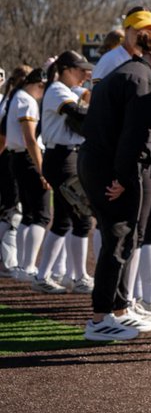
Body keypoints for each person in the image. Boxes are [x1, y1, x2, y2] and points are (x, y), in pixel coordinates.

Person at [79, 32, 151, 341]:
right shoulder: (143, 80)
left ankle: (118, 309)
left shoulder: (129, 72)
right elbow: (134, 137)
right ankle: (99, 318)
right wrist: (122, 178)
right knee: (118, 238)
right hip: (107, 167)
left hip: (96, 162)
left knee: (123, 237)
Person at [33, 50, 95, 294]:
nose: (84, 74)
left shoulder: (67, 89)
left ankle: (44, 275)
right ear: (67, 70)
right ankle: (78, 277)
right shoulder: (58, 89)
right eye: (80, 70)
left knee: (62, 220)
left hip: (66, 156)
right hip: (61, 158)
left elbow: (85, 97)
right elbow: (77, 112)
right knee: (82, 217)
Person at [2, 67, 51, 280]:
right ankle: (28, 265)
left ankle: (24, 264)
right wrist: (43, 170)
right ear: (39, 84)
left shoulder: (17, 96)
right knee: (40, 215)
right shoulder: (26, 100)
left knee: (28, 215)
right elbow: (30, 140)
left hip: (17, 157)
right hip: (26, 158)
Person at [0, 66, 27, 274]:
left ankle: (9, 260)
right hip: (9, 157)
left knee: (10, 209)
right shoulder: (14, 101)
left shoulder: (7, 100)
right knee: (12, 211)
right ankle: (8, 261)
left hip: (9, 157)